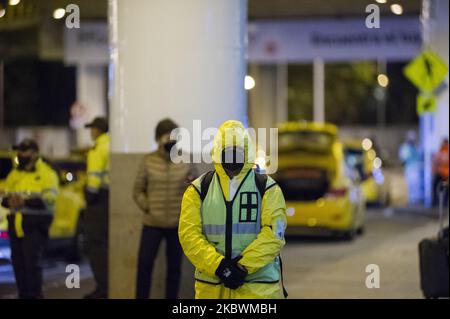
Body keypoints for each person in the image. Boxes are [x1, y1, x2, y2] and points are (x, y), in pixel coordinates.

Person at [179, 120, 287, 299]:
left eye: (237, 153)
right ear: (217, 153)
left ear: (247, 153)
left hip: (257, 290)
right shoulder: (198, 190)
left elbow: (275, 233)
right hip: (213, 290)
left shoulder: (268, 188)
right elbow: (188, 234)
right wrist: (219, 266)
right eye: (228, 153)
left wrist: (243, 267)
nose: (233, 159)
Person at [133, 118, 197, 299]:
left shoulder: (186, 160)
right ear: (157, 138)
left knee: (174, 269)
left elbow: (196, 190)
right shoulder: (148, 160)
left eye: (173, 135)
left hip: (177, 224)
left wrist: (190, 187)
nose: (170, 139)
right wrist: (148, 207)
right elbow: (137, 191)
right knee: (144, 265)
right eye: (165, 136)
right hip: (152, 222)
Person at [1, 139, 59, 298]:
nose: (20, 154)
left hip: (34, 227)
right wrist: (8, 201)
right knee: (19, 268)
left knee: (32, 268)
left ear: (35, 153)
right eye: (19, 151)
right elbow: (5, 197)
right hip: (16, 226)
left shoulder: (47, 174)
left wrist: (24, 201)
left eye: (24, 151)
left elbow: (50, 200)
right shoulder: (14, 174)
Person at [83, 117, 110, 299]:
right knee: (105, 244)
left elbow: (94, 178)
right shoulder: (112, 144)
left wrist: (89, 195)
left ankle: (102, 287)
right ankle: (105, 285)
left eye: (92, 128)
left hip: (99, 199)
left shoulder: (97, 148)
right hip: (111, 199)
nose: (91, 132)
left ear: (98, 130)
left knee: (95, 244)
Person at [399, 130, 423, 205]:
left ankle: (415, 201)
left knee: (415, 186)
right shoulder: (407, 147)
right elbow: (403, 159)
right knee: (412, 186)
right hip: (411, 169)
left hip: (414, 169)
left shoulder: (415, 147)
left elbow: (403, 160)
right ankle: (413, 201)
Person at [432, 138, 449, 207]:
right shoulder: (440, 150)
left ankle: (444, 203)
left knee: (446, 188)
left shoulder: (447, 151)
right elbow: (436, 161)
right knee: (435, 186)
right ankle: (435, 202)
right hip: (440, 173)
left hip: (446, 174)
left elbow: (444, 161)